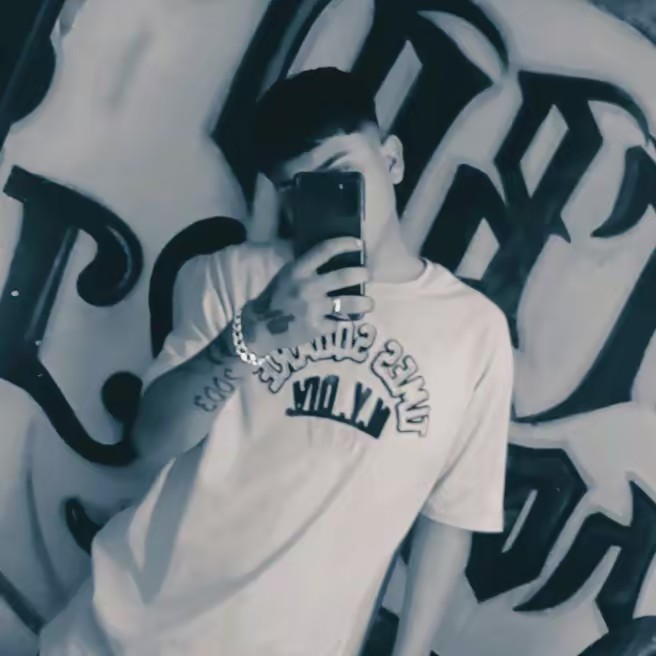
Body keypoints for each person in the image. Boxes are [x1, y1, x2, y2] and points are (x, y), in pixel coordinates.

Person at [39, 67, 513, 656]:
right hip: (122, 636)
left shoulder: (473, 332)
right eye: (298, 187)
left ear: (391, 161)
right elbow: (153, 441)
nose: (326, 199)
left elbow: (451, 517)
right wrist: (256, 330)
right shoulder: (238, 276)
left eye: (342, 174)